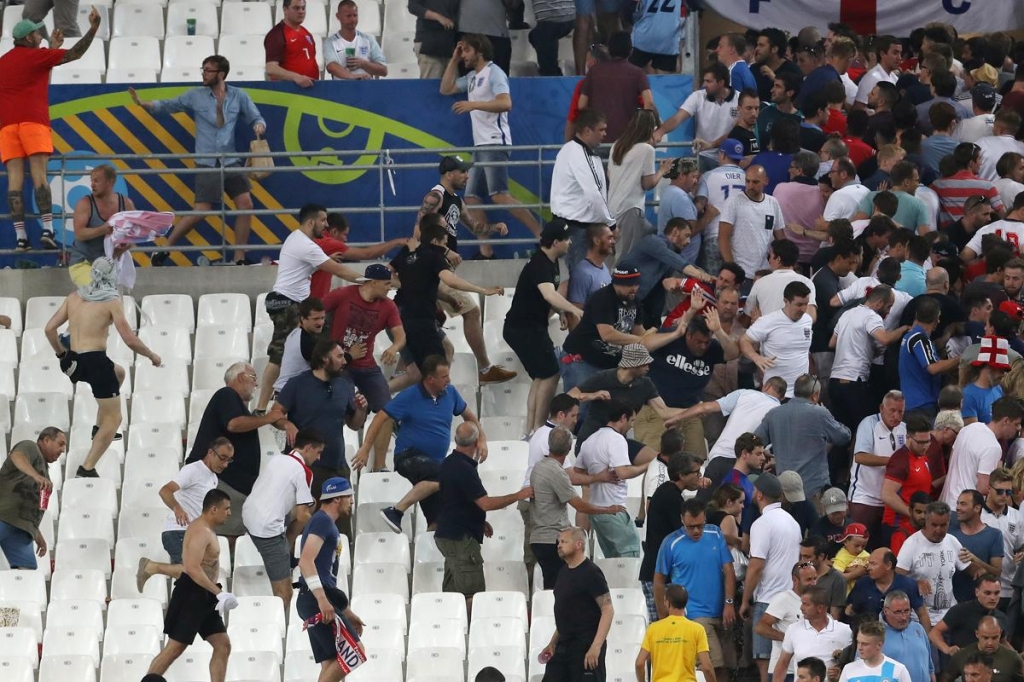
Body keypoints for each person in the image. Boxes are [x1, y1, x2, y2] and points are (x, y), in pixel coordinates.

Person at [129, 56, 266, 266]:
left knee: (245, 204)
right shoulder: (196, 95)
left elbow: (256, 117)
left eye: (208, 70)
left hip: (230, 161)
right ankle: (165, 250)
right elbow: (167, 105)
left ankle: (240, 258)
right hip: (207, 162)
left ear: (220, 74)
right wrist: (142, 103)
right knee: (202, 210)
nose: (203, 73)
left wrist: (258, 126)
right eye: (203, 69)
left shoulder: (239, 95)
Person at [44, 257, 161, 477]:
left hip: (76, 361)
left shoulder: (74, 297)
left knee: (120, 373)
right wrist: (151, 355)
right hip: (96, 362)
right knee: (115, 419)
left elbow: (49, 329)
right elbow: (129, 340)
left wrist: (62, 355)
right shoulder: (111, 301)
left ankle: (99, 429)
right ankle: (87, 468)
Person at [0, 8, 101, 251]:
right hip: (33, 123)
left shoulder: (4, 61)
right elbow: (75, 53)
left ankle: (21, 238)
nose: (40, 36)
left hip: (6, 126)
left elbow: (38, 78)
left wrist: (51, 49)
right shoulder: (36, 56)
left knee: (14, 182)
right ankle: (47, 230)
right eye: (36, 34)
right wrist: (93, 29)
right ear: (27, 39)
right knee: (39, 178)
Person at [355, 355, 485, 534]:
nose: (449, 380)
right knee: (447, 475)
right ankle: (396, 511)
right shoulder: (410, 395)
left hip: (433, 467)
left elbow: (469, 416)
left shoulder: (451, 393)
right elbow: (380, 417)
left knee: (438, 519)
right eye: (444, 377)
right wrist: (365, 447)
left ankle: (437, 555)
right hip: (408, 456)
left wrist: (482, 440)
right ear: (430, 379)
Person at [254, 204, 362, 414]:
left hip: (290, 302)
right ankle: (261, 407)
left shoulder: (296, 239)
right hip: (288, 303)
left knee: (312, 348)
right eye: (323, 220)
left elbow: (315, 264)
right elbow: (338, 270)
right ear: (311, 222)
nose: (326, 224)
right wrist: (366, 280)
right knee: (279, 355)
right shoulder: (307, 245)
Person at [440, 35, 540, 252]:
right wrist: (454, 60)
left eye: (466, 50)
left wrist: (472, 104)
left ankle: (540, 234)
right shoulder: (473, 77)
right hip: (480, 146)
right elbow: (445, 88)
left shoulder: (494, 73)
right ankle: (486, 251)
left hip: (495, 142)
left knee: (499, 195)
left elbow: (506, 103)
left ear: (479, 50)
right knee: (471, 197)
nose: (464, 55)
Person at [392, 213, 506, 379]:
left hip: (402, 315)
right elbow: (451, 281)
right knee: (433, 372)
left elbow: (391, 273)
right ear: (436, 241)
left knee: (444, 351)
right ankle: (398, 393)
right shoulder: (434, 257)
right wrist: (483, 290)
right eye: (445, 243)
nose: (446, 247)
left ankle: (391, 390)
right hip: (420, 319)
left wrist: (449, 299)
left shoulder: (408, 252)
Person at [435, 422, 533, 614]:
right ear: (477, 442)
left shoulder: (447, 463)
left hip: (447, 534)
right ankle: (472, 634)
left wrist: (478, 521)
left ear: (456, 440)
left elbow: (455, 501)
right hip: (460, 538)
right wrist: (518, 495)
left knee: (452, 593)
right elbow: (485, 503)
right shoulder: (464, 468)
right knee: (472, 595)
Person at [274, 341, 368, 535]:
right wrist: (288, 424)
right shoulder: (297, 384)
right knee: (305, 529)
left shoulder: (345, 385)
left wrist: (361, 410)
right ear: (325, 359)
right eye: (340, 356)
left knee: (339, 532)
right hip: (306, 468)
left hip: (336, 466)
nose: (344, 361)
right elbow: (275, 414)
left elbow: (354, 424)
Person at [146, 490, 237, 682]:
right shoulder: (201, 531)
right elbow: (192, 568)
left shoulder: (206, 528)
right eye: (226, 508)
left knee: (222, 644)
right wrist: (219, 593)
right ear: (214, 509)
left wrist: (214, 594)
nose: (229, 513)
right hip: (192, 594)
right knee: (174, 649)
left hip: (204, 595)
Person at [322, 264, 405, 472]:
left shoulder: (388, 306)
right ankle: (333, 458)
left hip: (366, 365)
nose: (389, 288)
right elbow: (315, 313)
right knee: (338, 407)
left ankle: (379, 466)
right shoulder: (342, 295)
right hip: (341, 366)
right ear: (373, 282)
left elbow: (401, 336)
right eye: (386, 284)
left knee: (388, 410)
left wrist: (394, 347)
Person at [185, 362, 282, 541]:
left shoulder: (235, 403)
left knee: (228, 535)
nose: (256, 384)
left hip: (231, 482)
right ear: (240, 377)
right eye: (253, 378)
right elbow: (233, 424)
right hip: (222, 480)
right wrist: (268, 418)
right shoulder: (227, 394)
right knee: (222, 535)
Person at [503, 220, 580, 434]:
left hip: (531, 327)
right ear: (556, 242)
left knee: (541, 375)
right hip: (523, 329)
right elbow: (548, 294)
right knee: (550, 373)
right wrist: (574, 310)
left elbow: (546, 298)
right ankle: (538, 428)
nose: (570, 242)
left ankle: (532, 429)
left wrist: (561, 311)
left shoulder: (551, 262)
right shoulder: (540, 264)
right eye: (566, 239)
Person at [530, 426, 624, 589]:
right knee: (560, 588)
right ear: (568, 449)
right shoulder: (557, 473)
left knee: (552, 587)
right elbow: (578, 504)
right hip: (552, 539)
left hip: (538, 538)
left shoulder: (539, 467)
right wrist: (608, 510)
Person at [653, 498, 736, 682]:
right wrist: (663, 615)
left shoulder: (715, 533)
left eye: (700, 525)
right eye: (691, 527)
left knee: (726, 667)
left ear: (705, 517)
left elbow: (729, 569)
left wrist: (729, 603)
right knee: (714, 667)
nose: (696, 531)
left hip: (722, 612)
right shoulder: (671, 543)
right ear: (682, 519)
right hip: (694, 615)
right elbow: (658, 581)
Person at [241, 430, 324, 612]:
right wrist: (321, 530)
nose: (318, 458)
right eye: (318, 452)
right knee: (284, 594)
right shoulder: (304, 471)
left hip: (249, 515)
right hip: (267, 529)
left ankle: (286, 546)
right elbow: (303, 515)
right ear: (308, 448)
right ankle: (277, 625)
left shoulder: (278, 459)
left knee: (311, 503)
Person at [136, 438, 234, 590]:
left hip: (195, 534)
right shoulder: (193, 470)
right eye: (222, 458)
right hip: (178, 531)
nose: (225, 464)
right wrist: (177, 507)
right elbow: (165, 490)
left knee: (207, 576)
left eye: (229, 460)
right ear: (210, 453)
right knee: (194, 574)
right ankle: (152, 567)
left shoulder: (213, 478)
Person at [295, 477, 364, 682]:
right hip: (315, 598)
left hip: (313, 598)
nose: (352, 501)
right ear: (336, 499)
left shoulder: (324, 522)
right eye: (348, 496)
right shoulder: (323, 521)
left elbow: (326, 575)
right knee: (355, 650)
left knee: (332, 661)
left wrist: (345, 610)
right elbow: (306, 561)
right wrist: (322, 600)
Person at [575, 399, 652, 557]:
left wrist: (596, 478)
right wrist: (648, 465)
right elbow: (622, 473)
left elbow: (578, 472)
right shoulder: (616, 439)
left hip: (596, 512)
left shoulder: (590, 440)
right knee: (630, 556)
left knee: (613, 562)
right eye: (631, 420)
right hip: (613, 509)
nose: (631, 425)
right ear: (623, 418)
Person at [756, 373, 850, 502]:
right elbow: (843, 437)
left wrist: (767, 455)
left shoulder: (774, 413)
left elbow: (756, 441)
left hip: (783, 490)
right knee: (811, 522)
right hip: (812, 489)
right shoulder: (819, 413)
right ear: (815, 395)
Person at [745, 473, 803, 682]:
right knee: (786, 664)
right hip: (790, 598)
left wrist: (745, 600)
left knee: (765, 667)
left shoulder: (762, 523)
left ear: (759, 494)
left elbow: (756, 566)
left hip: (767, 600)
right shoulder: (793, 523)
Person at [539, 527, 614, 682]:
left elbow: (607, 610)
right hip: (563, 644)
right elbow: (566, 613)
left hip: (585, 645)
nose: (559, 545)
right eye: (559, 542)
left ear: (578, 545)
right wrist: (552, 643)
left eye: (564, 541)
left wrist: (596, 647)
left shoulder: (591, 572)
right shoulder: (563, 572)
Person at [560, 268, 645, 393]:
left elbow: (639, 330)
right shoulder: (603, 298)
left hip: (608, 362)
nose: (633, 288)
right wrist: (642, 340)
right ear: (616, 283)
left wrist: (652, 338)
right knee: (579, 404)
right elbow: (607, 334)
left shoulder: (634, 300)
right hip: (582, 359)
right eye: (629, 284)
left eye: (636, 284)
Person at [551, 108, 615, 271]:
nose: (604, 134)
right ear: (587, 131)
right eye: (601, 130)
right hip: (577, 228)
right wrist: (611, 225)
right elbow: (594, 194)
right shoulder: (577, 154)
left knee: (584, 279)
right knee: (582, 279)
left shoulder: (576, 152)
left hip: (577, 226)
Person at [608, 110, 673, 258]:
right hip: (631, 209)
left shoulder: (617, 145)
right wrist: (662, 171)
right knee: (624, 258)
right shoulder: (646, 150)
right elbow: (648, 183)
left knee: (650, 236)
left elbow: (609, 174)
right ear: (651, 128)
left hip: (612, 208)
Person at [896, 501, 971, 625]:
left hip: (949, 616)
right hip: (920, 617)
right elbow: (896, 578)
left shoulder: (952, 541)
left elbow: (973, 571)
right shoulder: (911, 544)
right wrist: (915, 583)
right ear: (926, 522)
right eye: (934, 525)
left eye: (943, 525)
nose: (938, 530)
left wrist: (975, 559)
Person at [0, 427, 65, 569]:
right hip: (3, 516)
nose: (63, 449)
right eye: (60, 444)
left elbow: (29, 505)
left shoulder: (45, 472)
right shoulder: (30, 447)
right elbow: (17, 456)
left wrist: (37, 534)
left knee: (26, 574)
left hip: (21, 529)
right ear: (46, 440)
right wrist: (36, 475)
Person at [943, 397, 1024, 506]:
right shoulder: (993, 447)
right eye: (1016, 424)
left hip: (947, 502)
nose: (1019, 428)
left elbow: (952, 461)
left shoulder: (967, 429)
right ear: (1005, 421)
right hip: (966, 510)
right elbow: (983, 488)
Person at [575, 32, 653, 144]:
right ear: (630, 51)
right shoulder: (637, 73)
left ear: (609, 50)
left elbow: (581, 105)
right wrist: (643, 130)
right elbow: (649, 103)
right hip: (627, 140)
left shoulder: (594, 71)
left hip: (598, 139)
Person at [740, 281, 814, 399]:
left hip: (801, 393)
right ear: (786, 301)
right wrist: (756, 358)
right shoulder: (768, 321)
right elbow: (744, 341)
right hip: (775, 392)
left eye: (806, 304)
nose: (803, 309)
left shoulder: (807, 320)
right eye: (799, 304)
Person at [880, 413, 946, 543]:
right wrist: (913, 514)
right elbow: (887, 495)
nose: (925, 446)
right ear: (908, 438)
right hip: (897, 526)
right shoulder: (900, 460)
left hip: (916, 525)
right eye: (920, 442)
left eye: (928, 441)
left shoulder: (923, 456)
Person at [68, 165, 137, 285]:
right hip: (83, 262)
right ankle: (72, 301)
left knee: (108, 296)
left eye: (97, 180)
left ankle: (74, 301)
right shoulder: (84, 203)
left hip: (108, 264)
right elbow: (79, 234)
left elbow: (135, 235)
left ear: (110, 182)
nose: (92, 184)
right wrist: (104, 229)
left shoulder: (126, 204)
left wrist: (122, 248)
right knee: (98, 289)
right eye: (91, 180)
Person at [635, 584, 718, 682]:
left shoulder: (653, 628)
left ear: (667, 602)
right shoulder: (697, 629)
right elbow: (707, 667)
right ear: (686, 603)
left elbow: (639, 663)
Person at [718, 165, 786, 281]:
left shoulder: (773, 203)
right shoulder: (733, 202)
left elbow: (781, 238)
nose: (750, 185)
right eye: (747, 181)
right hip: (741, 271)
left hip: (765, 272)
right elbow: (723, 238)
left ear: (766, 181)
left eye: (755, 182)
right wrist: (733, 270)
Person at [772, 586, 853, 682]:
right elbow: (782, 664)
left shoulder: (845, 630)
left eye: (806, 604)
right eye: (802, 603)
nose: (801, 608)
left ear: (820, 608)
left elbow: (853, 664)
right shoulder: (793, 629)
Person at [757, 562, 822, 678]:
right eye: (808, 580)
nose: (813, 583)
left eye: (815, 579)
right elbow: (760, 627)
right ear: (795, 580)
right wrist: (789, 640)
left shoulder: (817, 600)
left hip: (808, 671)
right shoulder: (784, 599)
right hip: (784, 671)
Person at [898, 298, 959, 421]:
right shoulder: (919, 339)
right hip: (920, 406)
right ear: (937, 319)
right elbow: (933, 368)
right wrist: (962, 358)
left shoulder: (910, 336)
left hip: (913, 405)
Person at [846, 548, 930, 629]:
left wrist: (926, 641)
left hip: (900, 636)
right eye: (869, 564)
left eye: (873, 564)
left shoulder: (909, 585)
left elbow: (922, 615)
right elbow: (850, 612)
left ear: (888, 565)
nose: (868, 568)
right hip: (870, 636)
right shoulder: (862, 584)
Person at [929, 574, 1008, 654]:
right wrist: (947, 649)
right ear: (977, 592)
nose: (993, 598)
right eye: (987, 593)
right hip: (963, 663)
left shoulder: (1001, 617)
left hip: (992, 664)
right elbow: (934, 632)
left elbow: (1002, 642)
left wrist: (1017, 658)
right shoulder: (961, 610)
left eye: (996, 593)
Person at [980, 467, 1024, 608]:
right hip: (983, 588)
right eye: (1000, 491)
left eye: (1008, 492)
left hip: (1009, 588)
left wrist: (1022, 554)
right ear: (989, 488)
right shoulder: (977, 515)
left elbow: (1020, 546)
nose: (1004, 495)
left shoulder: (1017, 517)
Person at [950, 491, 1005, 603]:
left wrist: (975, 559)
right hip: (951, 603)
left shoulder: (994, 535)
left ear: (977, 508)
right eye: (958, 503)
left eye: (963, 504)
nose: (958, 508)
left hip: (979, 603)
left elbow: (996, 572)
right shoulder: (949, 532)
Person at [746, 239, 817, 320]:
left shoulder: (760, 283)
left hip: (767, 331)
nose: (769, 261)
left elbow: (746, 318)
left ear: (778, 259)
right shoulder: (806, 282)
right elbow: (811, 317)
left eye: (770, 256)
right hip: (795, 331)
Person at [271, 297, 327, 397]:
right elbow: (328, 365)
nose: (320, 323)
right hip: (289, 395)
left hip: (287, 391)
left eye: (322, 318)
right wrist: (351, 356)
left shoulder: (296, 333)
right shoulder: (306, 341)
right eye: (315, 319)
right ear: (303, 319)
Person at [944, 616, 1024, 682]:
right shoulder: (961, 656)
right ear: (977, 634)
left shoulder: (1013, 659)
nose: (990, 643)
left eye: (994, 637)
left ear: (1000, 633)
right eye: (985, 638)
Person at [878, 590, 933, 682]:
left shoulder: (918, 629)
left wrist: (932, 674)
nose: (904, 617)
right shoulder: (875, 634)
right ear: (886, 611)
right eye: (898, 612)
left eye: (907, 611)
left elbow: (929, 664)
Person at [324, 0, 387, 80]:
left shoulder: (368, 40)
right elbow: (331, 67)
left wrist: (363, 64)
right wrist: (355, 77)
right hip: (342, 89)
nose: (352, 19)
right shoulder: (330, 42)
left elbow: (384, 70)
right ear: (338, 16)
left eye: (355, 15)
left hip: (366, 88)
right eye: (348, 16)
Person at [264, 0, 320, 87]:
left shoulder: (306, 33)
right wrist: (296, 77)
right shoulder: (276, 34)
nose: (301, 11)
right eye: (296, 8)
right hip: (289, 91)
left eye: (303, 8)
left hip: (311, 89)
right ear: (285, 10)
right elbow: (271, 69)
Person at [838, 621, 912, 682]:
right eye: (858, 642)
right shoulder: (849, 669)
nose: (859, 648)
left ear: (879, 645)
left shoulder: (898, 670)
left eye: (865, 644)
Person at [798, 538, 846, 618]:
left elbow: (835, 614)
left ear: (821, 556)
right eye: (801, 556)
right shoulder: (800, 569)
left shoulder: (837, 579)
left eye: (807, 557)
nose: (803, 561)